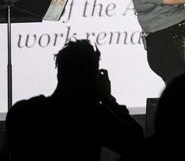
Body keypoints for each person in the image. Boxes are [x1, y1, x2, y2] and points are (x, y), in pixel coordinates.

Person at [5, 40, 143, 161]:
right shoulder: (94, 118)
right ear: (91, 79)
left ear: (59, 74)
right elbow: (136, 140)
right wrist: (108, 99)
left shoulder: (22, 112)